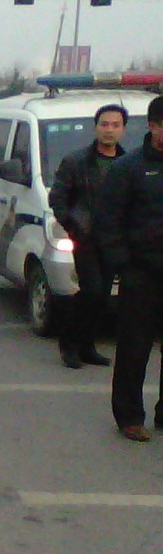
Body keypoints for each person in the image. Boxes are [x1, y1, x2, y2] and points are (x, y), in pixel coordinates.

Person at [94, 96, 163, 443]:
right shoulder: (130, 168)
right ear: (152, 126)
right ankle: (129, 416)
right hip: (141, 273)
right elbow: (107, 220)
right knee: (134, 348)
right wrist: (122, 262)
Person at [50, 104, 128, 369]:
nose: (109, 130)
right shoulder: (76, 161)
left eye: (115, 125)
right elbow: (58, 198)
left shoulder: (127, 162)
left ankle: (86, 346)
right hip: (86, 238)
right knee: (91, 290)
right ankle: (69, 344)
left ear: (123, 130)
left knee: (103, 295)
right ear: (95, 128)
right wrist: (72, 226)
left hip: (115, 240)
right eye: (105, 124)